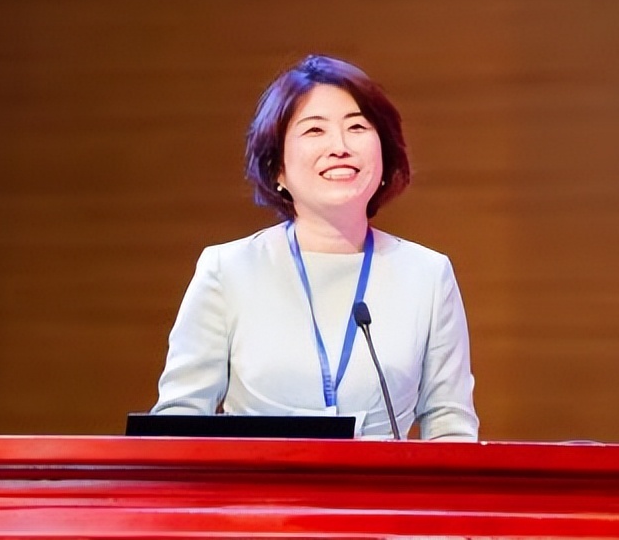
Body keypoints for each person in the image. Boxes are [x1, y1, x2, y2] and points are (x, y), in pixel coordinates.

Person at [151, 55, 479, 441]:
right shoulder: (227, 270)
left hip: (381, 481)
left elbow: (450, 426)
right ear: (278, 168)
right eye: (314, 130)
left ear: (384, 153)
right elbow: (177, 422)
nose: (339, 146)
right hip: (258, 481)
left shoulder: (428, 275)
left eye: (357, 127)